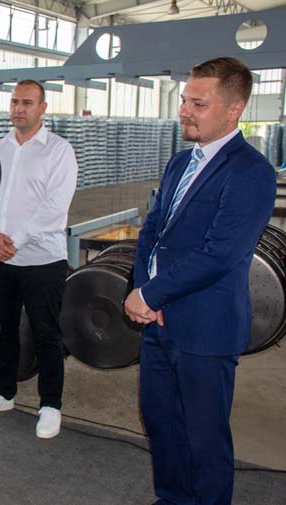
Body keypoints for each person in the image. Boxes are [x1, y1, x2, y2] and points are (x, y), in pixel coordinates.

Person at [124, 57, 275, 505]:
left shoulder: (251, 171)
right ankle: (172, 498)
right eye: (185, 100)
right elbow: (152, 233)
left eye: (198, 103)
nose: (184, 111)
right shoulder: (179, 163)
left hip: (206, 327)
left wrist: (151, 293)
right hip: (158, 323)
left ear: (234, 109)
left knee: (203, 437)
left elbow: (220, 253)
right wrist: (142, 292)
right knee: (162, 424)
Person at [0, 80, 77, 440]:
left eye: (27, 102)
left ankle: (51, 403)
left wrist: (14, 239)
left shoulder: (59, 151)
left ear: (43, 108)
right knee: (2, 328)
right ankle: (3, 391)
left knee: (46, 332)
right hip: (0, 257)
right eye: (15, 101)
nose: (19, 108)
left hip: (43, 259)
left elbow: (55, 206)